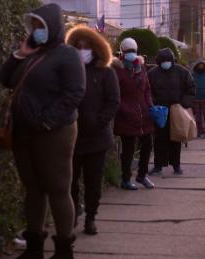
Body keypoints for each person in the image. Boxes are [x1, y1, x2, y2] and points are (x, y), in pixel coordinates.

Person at [0, 4, 85, 258]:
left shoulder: (67, 54)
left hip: (55, 131)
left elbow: (74, 93)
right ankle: (34, 247)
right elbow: (5, 79)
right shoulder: (33, 54)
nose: (36, 31)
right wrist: (20, 53)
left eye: (41, 26)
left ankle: (63, 249)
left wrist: (47, 121)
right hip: (24, 131)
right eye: (34, 26)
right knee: (33, 188)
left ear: (53, 28)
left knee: (58, 188)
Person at [66, 25, 120, 235]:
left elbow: (113, 101)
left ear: (95, 48)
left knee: (93, 181)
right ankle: (71, 214)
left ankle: (91, 216)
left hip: (97, 137)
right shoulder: (68, 71)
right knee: (69, 180)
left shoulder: (105, 73)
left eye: (86, 46)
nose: (82, 49)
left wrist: (100, 121)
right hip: (70, 136)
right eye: (78, 46)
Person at [112, 38, 155, 191]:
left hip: (143, 114)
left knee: (147, 144)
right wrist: (123, 109)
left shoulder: (141, 68)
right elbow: (114, 93)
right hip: (126, 115)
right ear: (122, 52)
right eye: (128, 51)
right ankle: (125, 178)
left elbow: (147, 89)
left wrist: (150, 106)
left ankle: (142, 175)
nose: (131, 54)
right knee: (128, 148)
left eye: (133, 51)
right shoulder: (117, 69)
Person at [148, 48, 196, 175]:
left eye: (168, 60)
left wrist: (183, 103)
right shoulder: (152, 73)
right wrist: (153, 103)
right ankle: (158, 165)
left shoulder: (181, 72)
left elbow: (191, 88)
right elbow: (147, 91)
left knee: (176, 138)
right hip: (160, 111)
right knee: (159, 139)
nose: (166, 63)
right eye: (163, 61)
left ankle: (176, 165)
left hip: (176, 109)